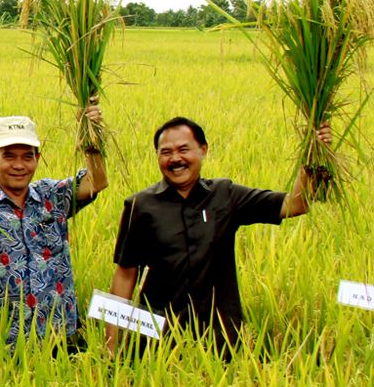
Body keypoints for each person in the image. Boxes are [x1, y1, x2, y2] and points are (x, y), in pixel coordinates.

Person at [107, 116, 333, 357]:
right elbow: (125, 274)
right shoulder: (141, 205)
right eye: (166, 152)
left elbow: (294, 204)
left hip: (221, 338)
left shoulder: (225, 195)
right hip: (158, 341)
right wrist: (111, 345)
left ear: (203, 150)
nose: (175, 159)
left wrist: (314, 154)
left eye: (184, 149)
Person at [0, 110, 107, 350]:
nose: (19, 165)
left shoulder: (52, 197)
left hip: (61, 340)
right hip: (2, 345)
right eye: (9, 156)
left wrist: (92, 134)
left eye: (27, 157)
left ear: (37, 158)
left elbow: (97, 181)